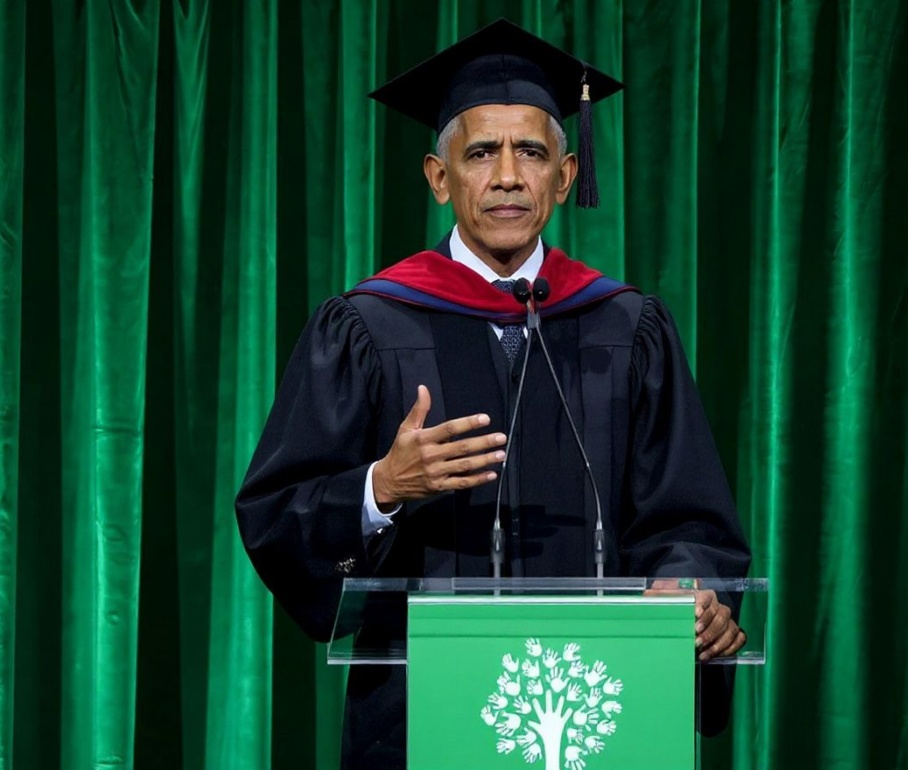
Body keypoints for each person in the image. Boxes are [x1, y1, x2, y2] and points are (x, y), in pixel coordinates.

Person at [235, 18, 751, 769]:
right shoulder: (366, 326)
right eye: (481, 153)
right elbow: (276, 513)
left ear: (565, 176)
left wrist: (692, 590)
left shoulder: (626, 326)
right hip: (415, 722)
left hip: (601, 715)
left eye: (531, 153)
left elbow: (690, 517)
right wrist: (382, 486)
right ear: (439, 177)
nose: (507, 175)